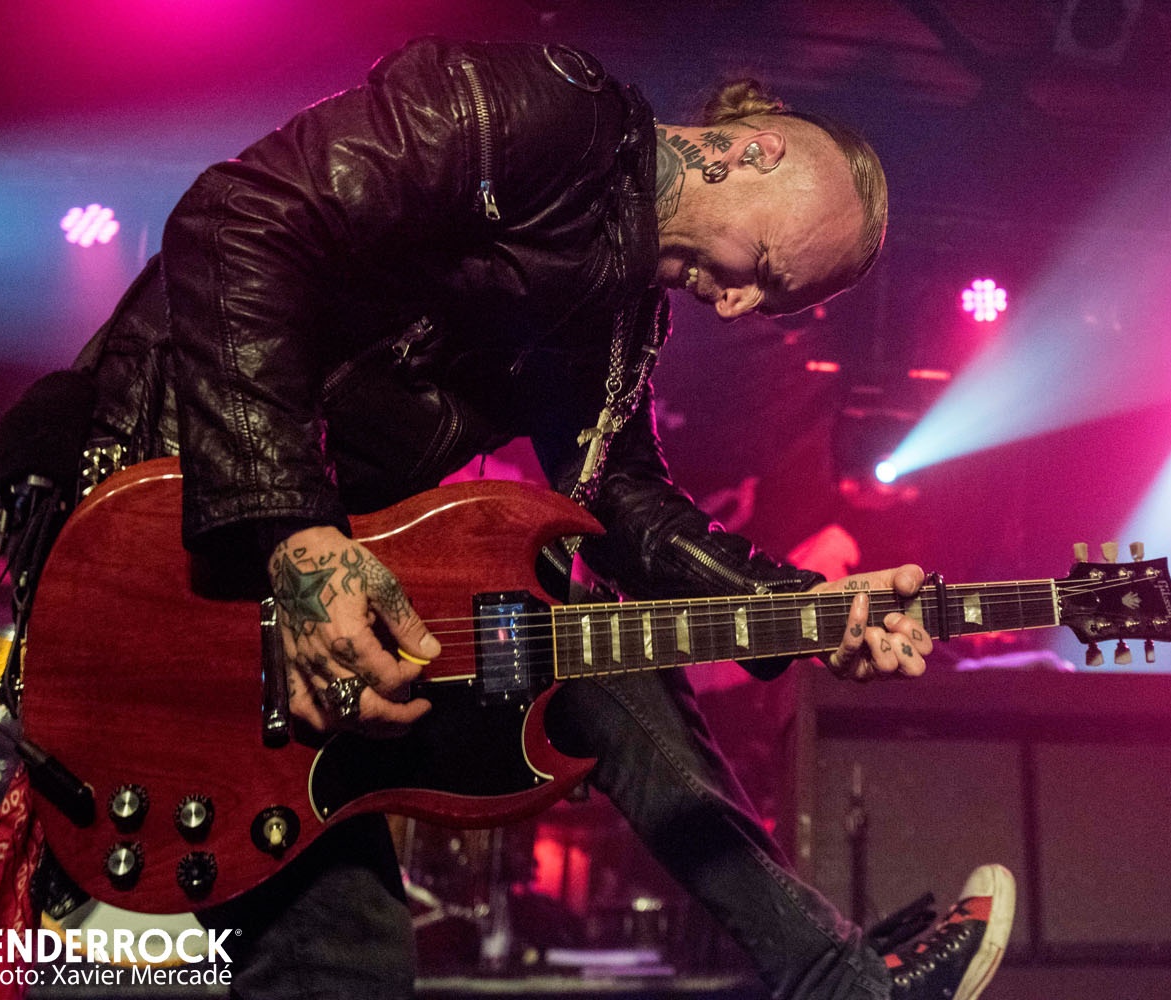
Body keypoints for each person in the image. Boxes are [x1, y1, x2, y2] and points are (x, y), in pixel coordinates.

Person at [57, 37, 1014, 1000]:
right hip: (168, 524)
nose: (735, 306)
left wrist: (807, 607)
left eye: (768, 303)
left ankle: (836, 979)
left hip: (323, 590)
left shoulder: (623, 318)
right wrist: (296, 538)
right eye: (762, 268)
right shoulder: (531, 112)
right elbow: (236, 218)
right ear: (753, 150)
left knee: (353, 948)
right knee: (340, 957)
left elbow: (622, 504)